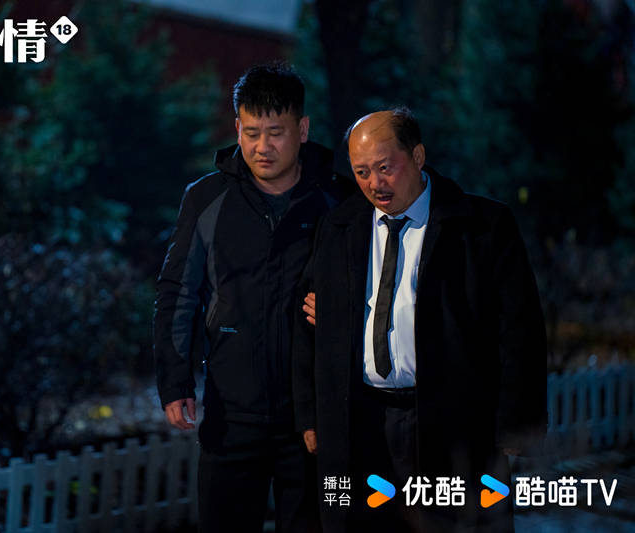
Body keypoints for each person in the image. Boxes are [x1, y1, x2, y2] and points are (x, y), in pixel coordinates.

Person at [292, 107, 546, 532]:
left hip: (451, 419)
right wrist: (310, 415)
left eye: (385, 168)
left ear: (418, 156)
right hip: (362, 422)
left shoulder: (481, 226)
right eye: (361, 172)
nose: (375, 183)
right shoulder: (339, 227)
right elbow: (306, 324)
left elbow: (520, 331)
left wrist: (517, 425)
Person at [153, 63, 354, 533]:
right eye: (251, 132)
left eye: (276, 133)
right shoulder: (206, 198)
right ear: (237, 128)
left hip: (312, 416)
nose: (263, 147)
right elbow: (178, 290)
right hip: (231, 411)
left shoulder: (339, 201)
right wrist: (175, 380)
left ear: (302, 130)